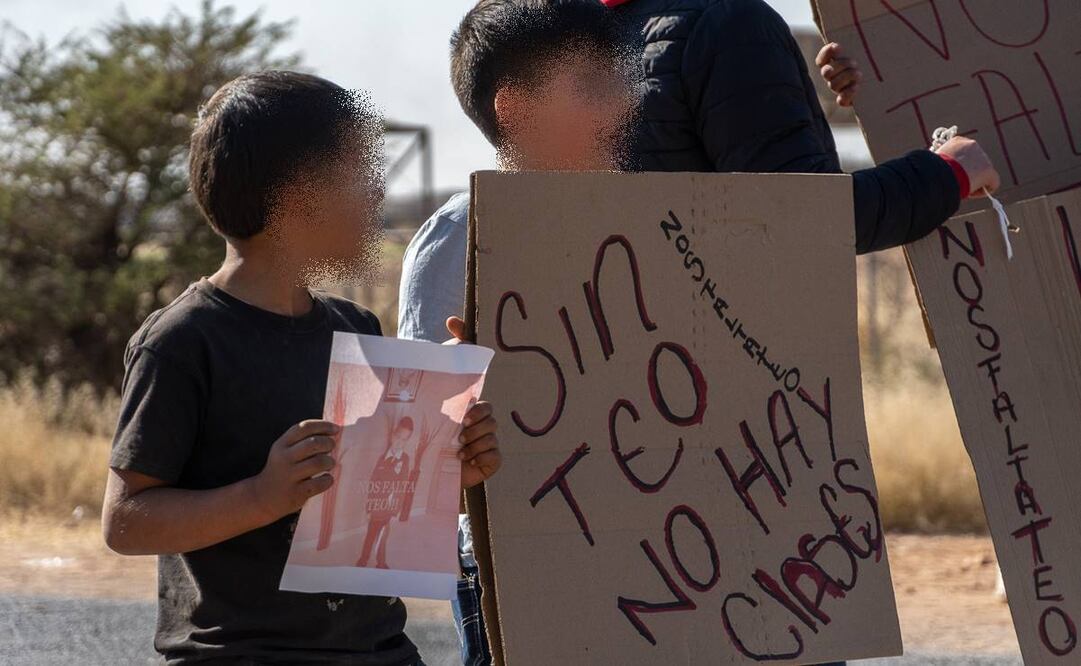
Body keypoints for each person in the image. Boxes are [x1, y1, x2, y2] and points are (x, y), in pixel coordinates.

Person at [101, 70, 502, 665]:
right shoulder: (183, 341)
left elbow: (374, 505)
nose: (375, 192)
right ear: (293, 195)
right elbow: (126, 522)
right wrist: (262, 496)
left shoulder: (356, 329)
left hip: (378, 651)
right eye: (357, 172)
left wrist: (451, 471)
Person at [398, 2, 635, 664]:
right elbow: (420, 446)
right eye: (592, 86)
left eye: (621, 80)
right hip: (511, 563)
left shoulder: (643, 218)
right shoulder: (460, 236)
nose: (624, 102)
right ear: (514, 108)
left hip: (638, 549)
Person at [603, 0, 1001, 252]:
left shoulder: (564, 39)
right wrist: (950, 172)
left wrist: (804, 98)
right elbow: (807, 221)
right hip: (733, 363)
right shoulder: (728, 26)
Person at [358, 417, 415, 569]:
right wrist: (369, 508)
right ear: (392, 436)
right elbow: (372, 483)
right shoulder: (382, 458)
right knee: (371, 535)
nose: (399, 442)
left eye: (404, 440)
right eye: (398, 437)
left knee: (382, 535)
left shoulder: (404, 459)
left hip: (388, 508)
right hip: (376, 506)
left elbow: (402, 484)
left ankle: (380, 563)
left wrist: (395, 510)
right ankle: (363, 559)